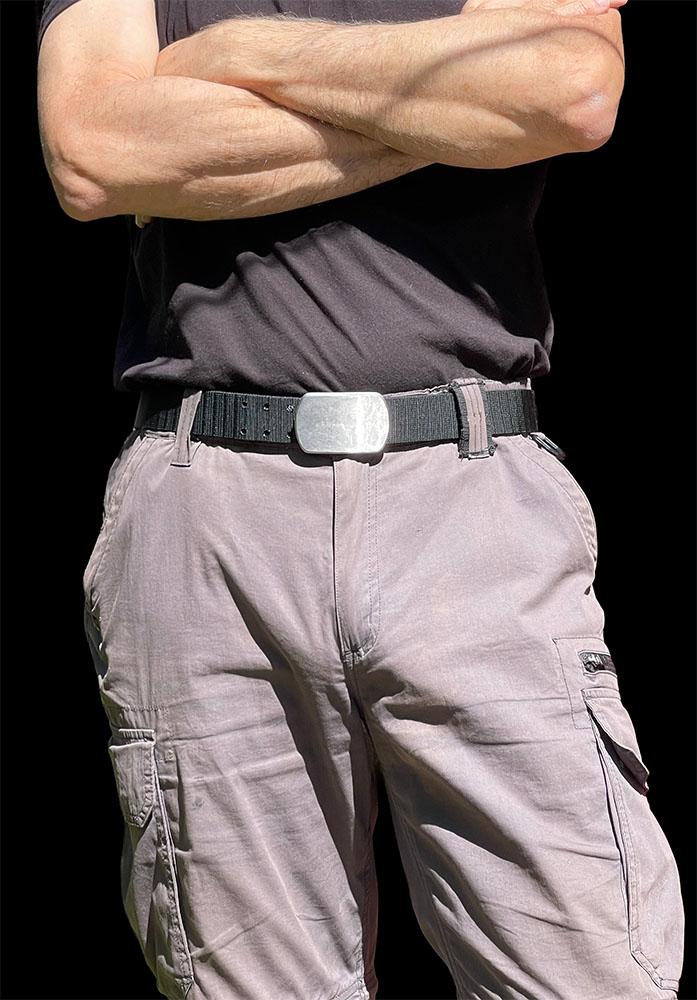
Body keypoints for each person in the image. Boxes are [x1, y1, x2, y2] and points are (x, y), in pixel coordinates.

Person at [36, 0, 685, 998]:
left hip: (471, 500)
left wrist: (240, 54)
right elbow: (94, 150)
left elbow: (568, 91)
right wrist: (449, 113)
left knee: (585, 972)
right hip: (210, 510)